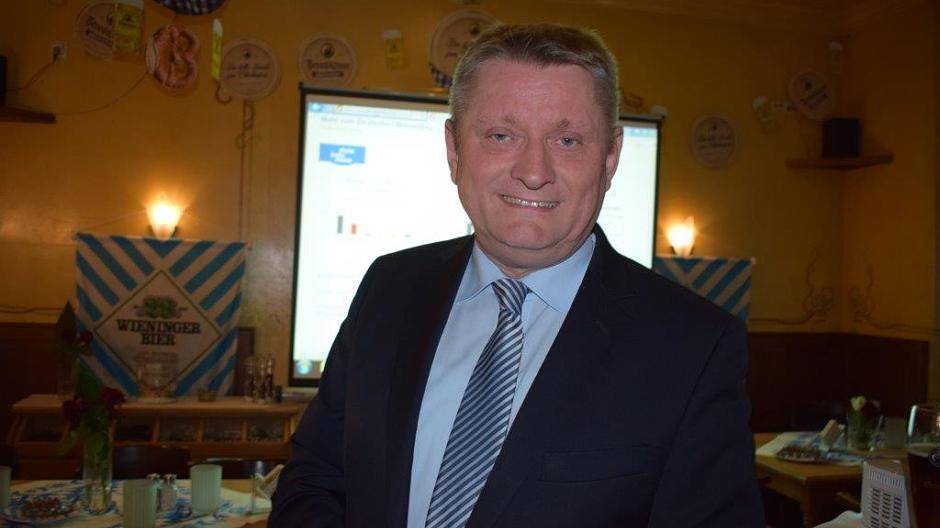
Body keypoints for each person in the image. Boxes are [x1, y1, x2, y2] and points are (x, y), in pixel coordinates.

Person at [271, 23, 764, 528]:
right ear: (454, 150)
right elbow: (315, 477)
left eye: (567, 140)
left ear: (611, 157)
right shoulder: (388, 288)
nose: (533, 171)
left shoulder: (694, 347)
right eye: (501, 136)